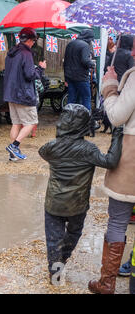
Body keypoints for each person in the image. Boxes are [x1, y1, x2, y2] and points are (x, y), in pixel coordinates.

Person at [38, 103, 123, 285]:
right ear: (84, 126)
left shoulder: (50, 147)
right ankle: (63, 259)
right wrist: (117, 135)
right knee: (73, 233)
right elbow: (111, 161)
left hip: (54, 203)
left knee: (53, 239)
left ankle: (55, 272)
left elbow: (41, 152)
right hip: (78, 204)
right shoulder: (89, 150)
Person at [88, 47, 135, 294]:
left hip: (131, 160)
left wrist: (110, 86)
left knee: (118, 219)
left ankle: (107, 283)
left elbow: (116, 116)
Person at [3, 27, 46, 161]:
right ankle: (14, 146)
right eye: (33, 40)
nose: (34, 43)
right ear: (28, 40)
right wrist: (40, 68)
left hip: (11, 93)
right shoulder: (26, 54)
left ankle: (13, 155)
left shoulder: (11, 53)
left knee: (16, 123)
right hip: (23, 94)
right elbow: (30, 74)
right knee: (31, 122)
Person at [64, 29, 96, 111]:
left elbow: (65, 62)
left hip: (70, 77)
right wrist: (92, 64)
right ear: (88, 38)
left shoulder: (70, 44)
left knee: (71, 99)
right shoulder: (85, 45)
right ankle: (86, 120)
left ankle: (68, 119)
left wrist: (66, 78)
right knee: (86, 98)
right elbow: (85, 60)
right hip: (81, 77)